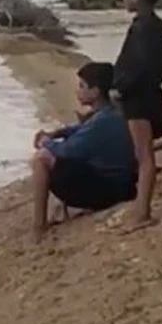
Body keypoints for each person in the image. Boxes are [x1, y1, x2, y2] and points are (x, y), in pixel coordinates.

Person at [30, 62, 138, 240]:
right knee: (53, 155)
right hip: (122, 184)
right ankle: (52, 215)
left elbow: (66, 150)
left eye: (82, 86)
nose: (77, 91)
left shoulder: (102, 121)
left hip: (110, 190)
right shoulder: (112, 112)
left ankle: (39, 226)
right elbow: (80, 130)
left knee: (41, 159)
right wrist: (57, 133)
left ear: (95, 92)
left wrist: (45, 141)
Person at [113, 0, 162, 230]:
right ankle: (140, 209)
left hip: (138, 99)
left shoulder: (143, 28)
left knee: (145, 158)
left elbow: (138, 66)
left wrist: (121, 89)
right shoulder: (157, 27)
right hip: (149, 95)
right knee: (144, 155)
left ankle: (142, 214)